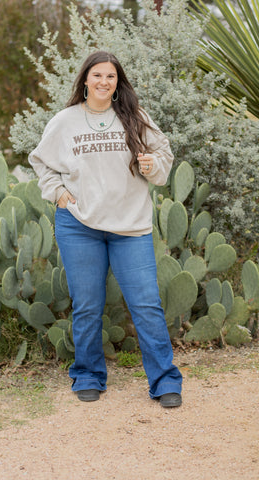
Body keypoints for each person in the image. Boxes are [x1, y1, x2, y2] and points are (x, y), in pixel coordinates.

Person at [29, 51, 183, 407]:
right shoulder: (65, 121)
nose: (103, 81)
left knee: (146, 305)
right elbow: (40, 161)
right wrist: (59, 194)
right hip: (79, 225)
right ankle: (88, 374)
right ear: (85, 79)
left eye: (110, 76)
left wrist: (151, 164)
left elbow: (164, 159)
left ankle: (164, 381)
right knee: (86, 304)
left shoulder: (134, 117)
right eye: (97, 75)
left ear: (118, 82)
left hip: (130, 226)